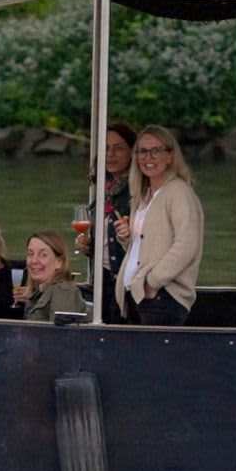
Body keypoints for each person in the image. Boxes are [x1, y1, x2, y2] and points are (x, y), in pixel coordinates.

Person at [114, 124, 204, 326]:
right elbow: (146, 248)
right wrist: (127, 238)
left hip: (162, 299)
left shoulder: (178, 192)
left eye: (156, 151)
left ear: (170, 156)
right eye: (142, 151)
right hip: (136, 296)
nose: (148, 157)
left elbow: (187, 244)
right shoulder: (143, 196)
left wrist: (152, 283)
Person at [78, 121, 137, 322]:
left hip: (125, 282)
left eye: (118, 148)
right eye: (106, 148)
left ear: (132, 152)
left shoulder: (138, 192)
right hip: (101, 280)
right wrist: (89, 246)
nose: (110, 154)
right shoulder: (104, 191)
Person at [14, 230, 86, 322]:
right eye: (31, 254)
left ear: (59, 262)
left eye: (43, 255)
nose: (34, 261)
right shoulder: (40, 292)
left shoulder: (63, 292)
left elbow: (62, 334)